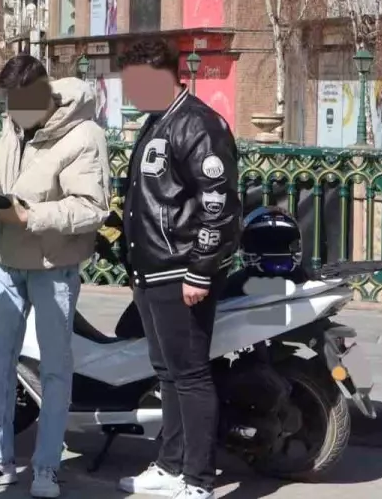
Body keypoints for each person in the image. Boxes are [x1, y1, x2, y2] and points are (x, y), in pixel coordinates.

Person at [0, 55, 111, 498]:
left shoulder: (84, 135)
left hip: (54, 265)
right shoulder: (15, 124)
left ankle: (47, 465)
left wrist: (28, 215)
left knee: (53, 368)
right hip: (8, 258)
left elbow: (92, 207)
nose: (12, 112)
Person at [116, 39, 240, 499]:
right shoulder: (157, 123)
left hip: (179, 270)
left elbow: (218, 205)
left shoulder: (199, 125)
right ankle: (170, 465)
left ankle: (199, 479)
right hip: (150, 269)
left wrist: (200, 271)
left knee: (190, 374)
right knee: (166, 372)